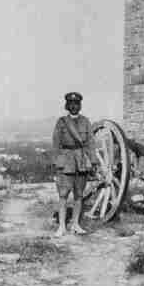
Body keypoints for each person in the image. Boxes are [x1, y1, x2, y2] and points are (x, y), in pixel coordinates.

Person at [52, 92, 98, 236]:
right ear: (67, 106)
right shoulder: (61, 122)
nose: (74, 107)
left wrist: (93, 161)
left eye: (76, 104)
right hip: (66, 162)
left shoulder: (85, 122)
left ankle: (76, 224)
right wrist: (57, 162)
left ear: (80, 105)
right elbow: (56, 144)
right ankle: (61, 226)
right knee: (63, 194)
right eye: (71, 104)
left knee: (79, 194)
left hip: (81, 161)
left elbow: (90, 143)